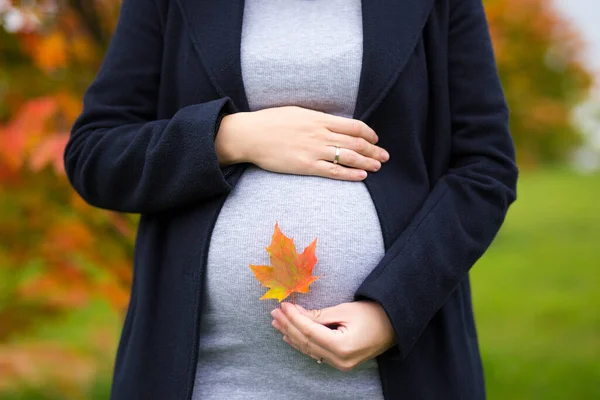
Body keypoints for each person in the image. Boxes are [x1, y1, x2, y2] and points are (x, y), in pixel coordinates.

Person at [63, 0, 518, 399]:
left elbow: (484, 168)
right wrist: (226, 137)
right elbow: (96, 155)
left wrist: (393, 311)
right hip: (205, 380)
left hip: (395, 375)